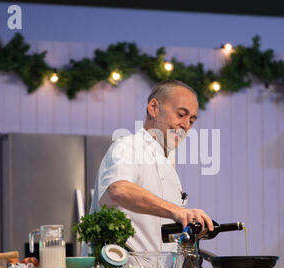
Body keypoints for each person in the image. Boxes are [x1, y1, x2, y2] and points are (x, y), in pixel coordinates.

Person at [89, 80, 214, 252]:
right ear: (154, 108)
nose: (186, 125)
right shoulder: (128, 145)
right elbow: (119, 190)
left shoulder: (169, 168)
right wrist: (176, 211)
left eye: (191, 120)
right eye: (181, 114)